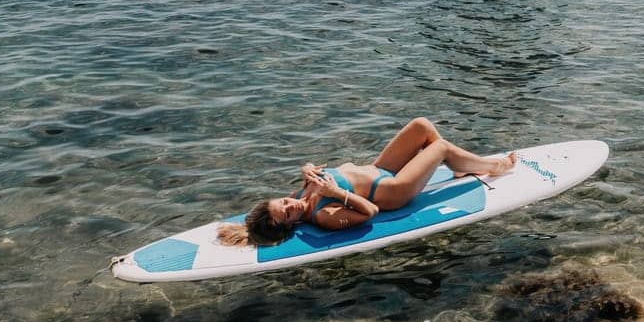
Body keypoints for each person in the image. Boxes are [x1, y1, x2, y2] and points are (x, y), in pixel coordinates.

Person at [218, 118, 515, 247]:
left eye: (282, 201)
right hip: (393, 190)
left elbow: (304, 186)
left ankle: (460, 167)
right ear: (290, 225)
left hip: (380, 168)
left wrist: (307, 166)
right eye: (288, 213)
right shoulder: (323, 216)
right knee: (440, 148)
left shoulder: (300, 192)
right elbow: (369, 213)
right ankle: (493, 166)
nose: (291, 204)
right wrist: (335, 192)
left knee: (422, 127)